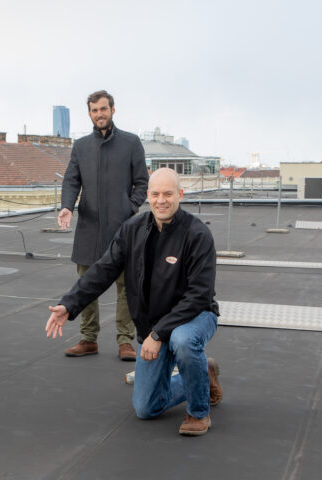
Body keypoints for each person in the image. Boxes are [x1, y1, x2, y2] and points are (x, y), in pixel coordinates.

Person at [46, 168, 223, 436]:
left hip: (194, 317)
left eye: (168, 194)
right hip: (153, 326)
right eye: (155, 194)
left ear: (180, 195)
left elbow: (199, 295)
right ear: (148, 196)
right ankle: (203, 377)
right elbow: (103, 269)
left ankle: (198, 412)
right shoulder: (132, 229)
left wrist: (158, 333)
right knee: (146, 408)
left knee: (183, 340)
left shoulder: (197, 234)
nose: (161, 200)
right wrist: (70, 304)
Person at [58, 90, 149, 360]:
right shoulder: (81, 146)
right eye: (95, 110)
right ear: (89, 113)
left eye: (103, 109)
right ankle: (88, 339)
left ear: (112, 110)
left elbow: (142, 182)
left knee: (126, 287)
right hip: (89, 228)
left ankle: (125, 341)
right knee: (87, 283)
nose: (99, 114)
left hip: (123, 229)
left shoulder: (131, 143)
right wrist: (67, 206)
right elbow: (71, 180)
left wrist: (129, 207)